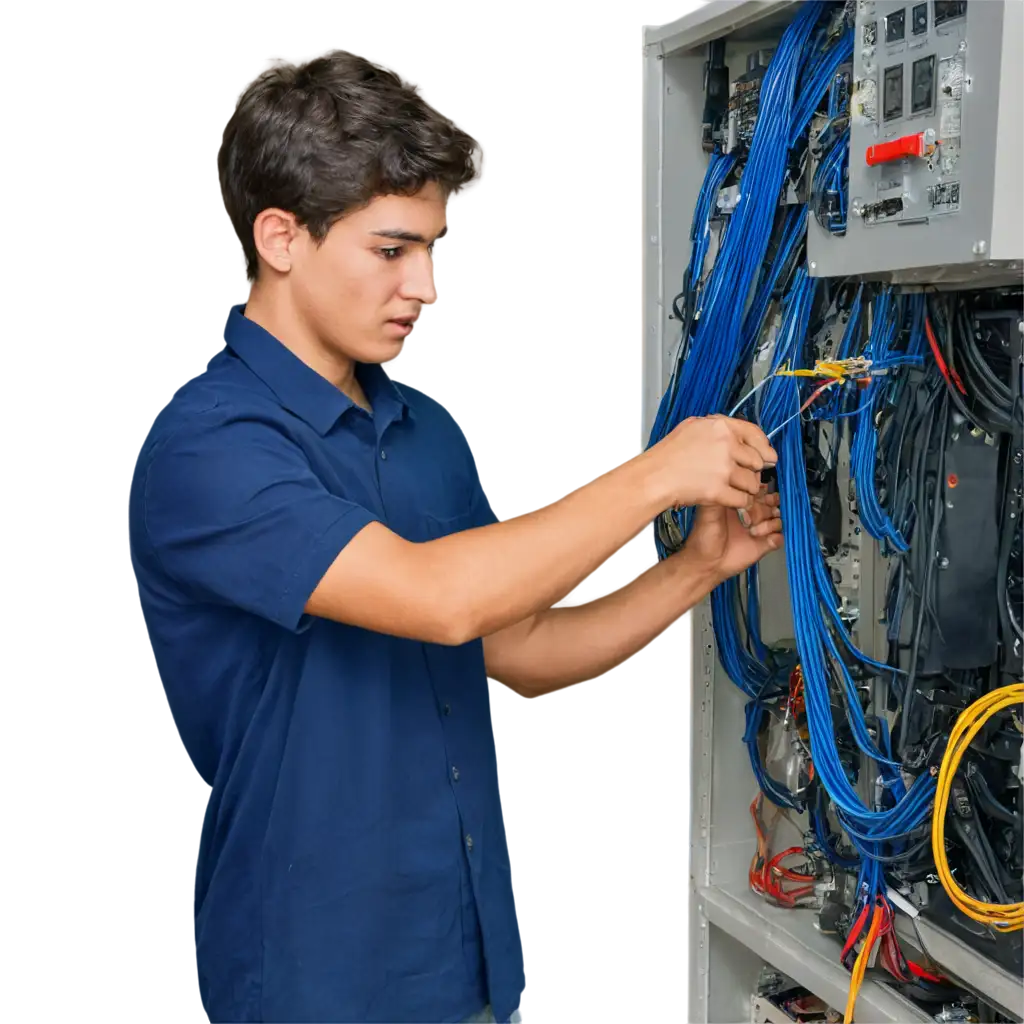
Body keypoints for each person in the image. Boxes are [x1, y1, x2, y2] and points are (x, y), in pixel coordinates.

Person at [127, 49, 783, 1024]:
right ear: (280, 237)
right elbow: (444, 600)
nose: (424, 285)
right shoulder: (209, 446)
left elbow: (514, 647)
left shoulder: (421, 430)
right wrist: (654, 476)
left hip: (466, 968)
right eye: (392, 249)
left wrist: (692, 568)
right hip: (316, 982)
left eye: (434, 248)